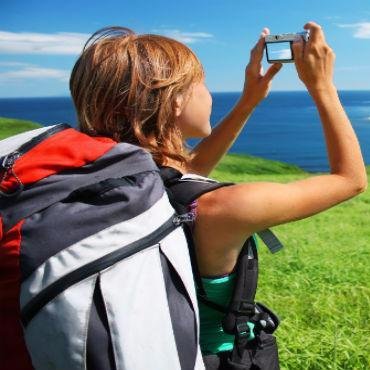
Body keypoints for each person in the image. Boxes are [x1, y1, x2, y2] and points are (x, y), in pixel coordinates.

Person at [69, 21, 367, 369]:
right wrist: (323, 87)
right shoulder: (226, 207)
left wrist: (247, 101)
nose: (209, 93)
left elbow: (184, 176)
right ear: (177, 101)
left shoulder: (106, 185)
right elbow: (349, 179)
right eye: (203, 84)